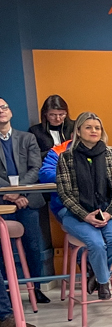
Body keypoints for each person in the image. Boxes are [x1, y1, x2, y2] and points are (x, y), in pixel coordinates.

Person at [54, 111, 112, 301]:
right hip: (77, 214)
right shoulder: (66, 158)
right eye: (88, 127)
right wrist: (85, 216)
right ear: (78, 131)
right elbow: (65, 194)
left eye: (97, 128)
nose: (94, 131)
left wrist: (109, 213)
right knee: (96, 244)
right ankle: (103, 282)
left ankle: (95, 274)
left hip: (107, 210)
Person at [0, 97, 50, 304]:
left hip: (28, 199)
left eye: (4, 107)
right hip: (2, 202)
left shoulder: (27, 138)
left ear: (10, 111)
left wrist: (19, 193)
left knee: (33, 246)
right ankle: (7, 293)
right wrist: (8, 193)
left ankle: (35, 288)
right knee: (3, 249)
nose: (1, 111)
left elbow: (36, 168)